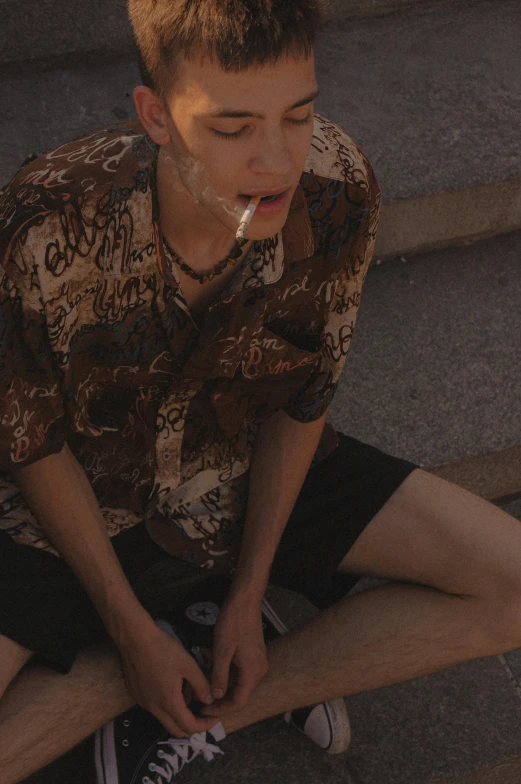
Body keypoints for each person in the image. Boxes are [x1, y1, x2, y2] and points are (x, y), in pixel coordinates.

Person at [1, 1, 521, 782]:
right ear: (157, 116)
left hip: (231, 463)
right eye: (232, 126)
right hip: (75, 504)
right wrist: (130, 631)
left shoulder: (336, 183)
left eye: (297, 114)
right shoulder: (47, 221)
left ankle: (209, 697)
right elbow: (31, 445)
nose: (277, 162)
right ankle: (132, 664)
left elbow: (304, 399)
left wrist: (248, 593)